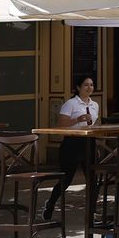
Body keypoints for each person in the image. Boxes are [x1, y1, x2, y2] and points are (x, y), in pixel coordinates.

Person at [42, 76, 98, 220]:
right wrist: (77, 120)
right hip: (72, 143)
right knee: (66, 179)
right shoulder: (71, 103)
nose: (89, 88)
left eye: (91, 85)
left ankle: (92, 211)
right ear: (78, 87)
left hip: (88, 142)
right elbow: (62, 122)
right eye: (86, 85)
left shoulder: (94, 105)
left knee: (92, 178)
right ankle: (50, 203)